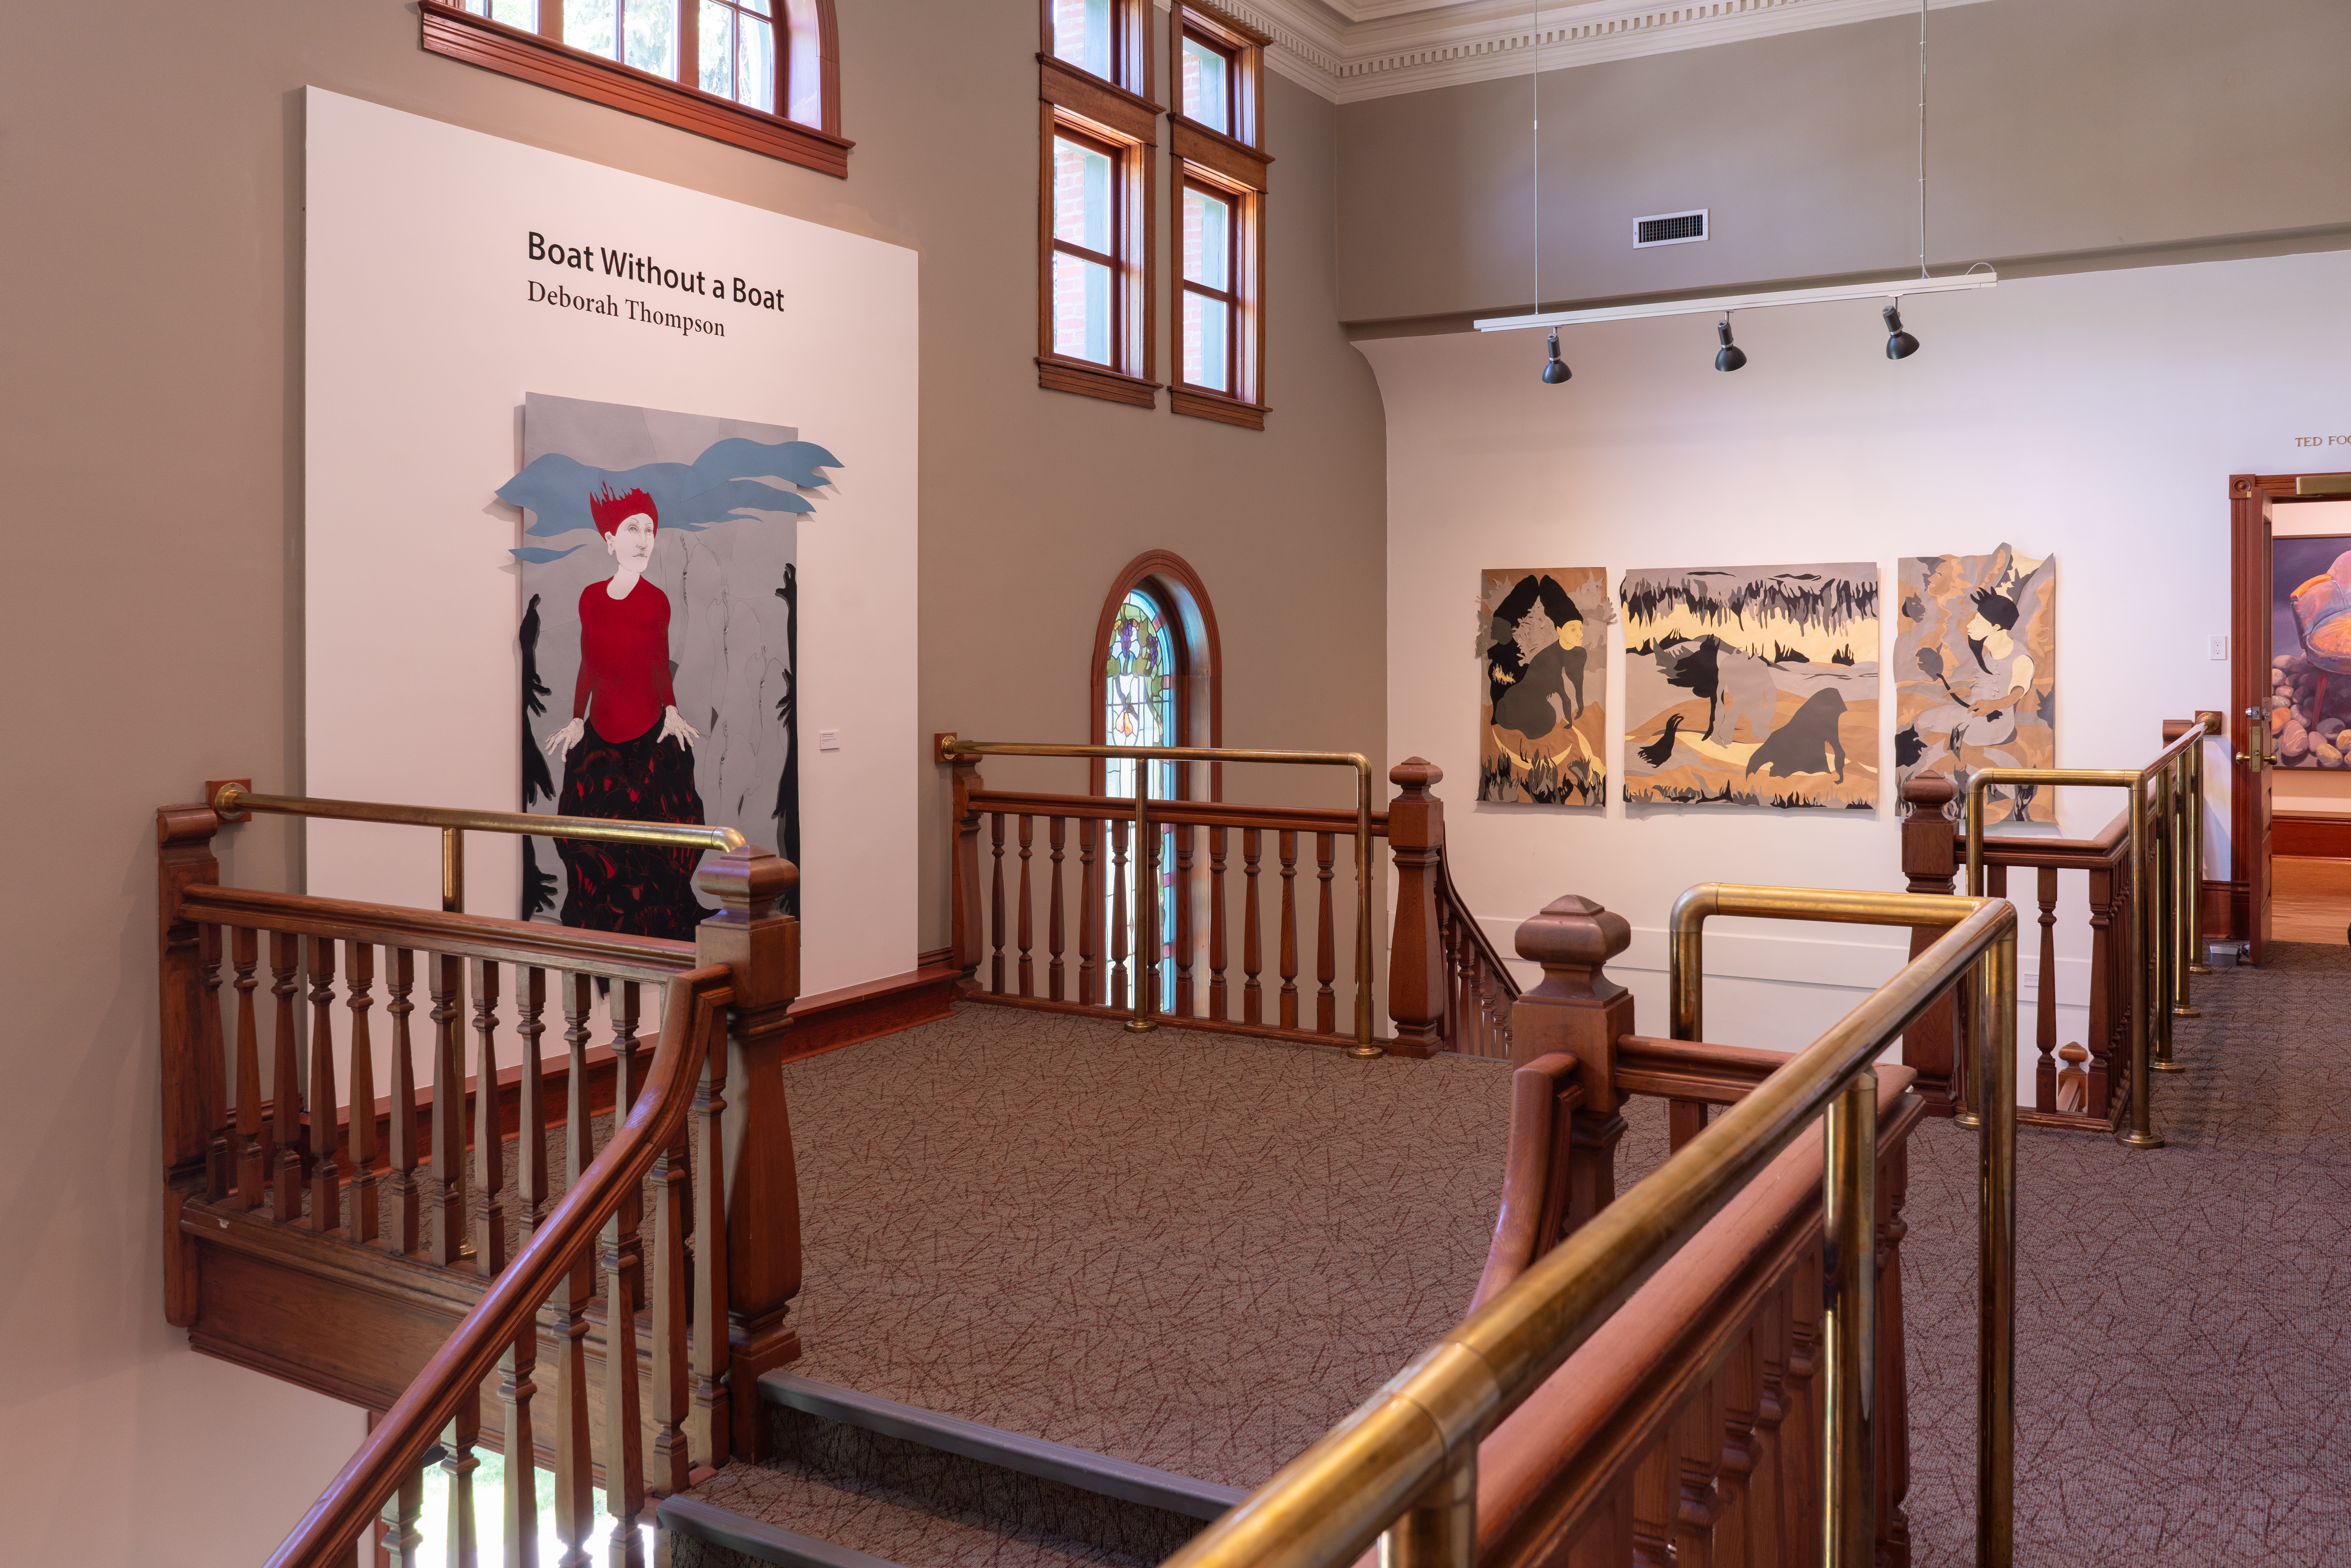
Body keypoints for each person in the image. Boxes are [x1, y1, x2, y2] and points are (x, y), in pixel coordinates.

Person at [542, 484, 710, 939]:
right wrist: (577, 718)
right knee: (590, 834)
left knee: (665, 832)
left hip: (649, 732)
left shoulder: (657, 600)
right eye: (632, 528)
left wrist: (672, 708)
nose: (643, 538)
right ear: (610, 540)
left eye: (650, 529)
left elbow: (658, 662)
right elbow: (590, 663)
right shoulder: (591, 598)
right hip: (601, 734)